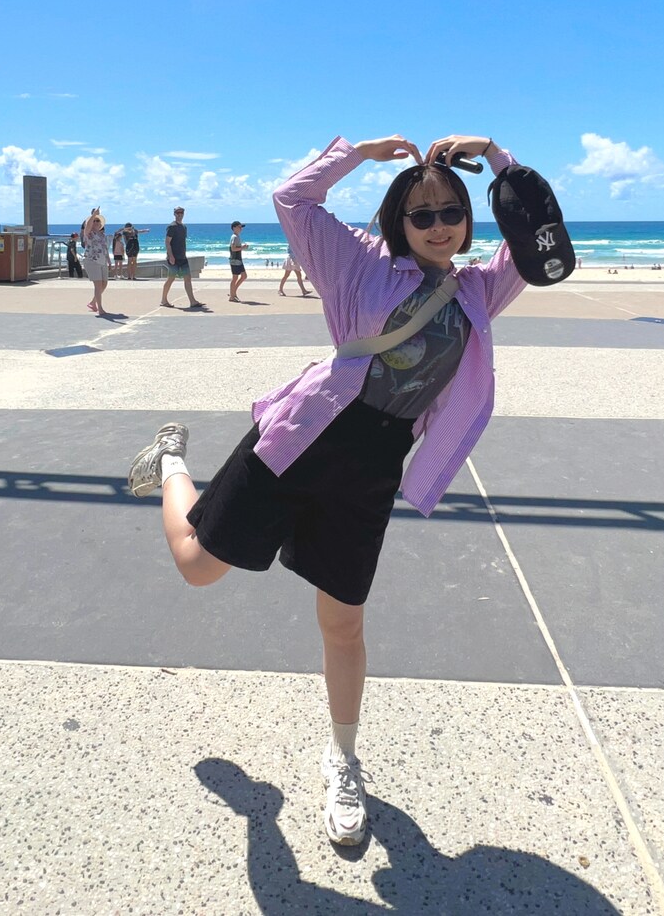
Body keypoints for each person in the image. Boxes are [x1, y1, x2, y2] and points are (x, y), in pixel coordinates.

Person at [128, 133, 526, 848]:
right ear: (399, 221)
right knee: (197, 565)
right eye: (422, 214)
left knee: (344, 624)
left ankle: (343, 760)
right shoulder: (359, 262)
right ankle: (171, 462)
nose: (438, 225)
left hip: (373, 466)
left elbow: (539, 236)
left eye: (451, 212)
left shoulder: (479, 289)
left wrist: (497, 155)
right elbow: (292, 199)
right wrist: (360, 154)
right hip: (302, 436)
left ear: (469, 219)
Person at [160, 207, 207, 310]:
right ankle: (164, 300)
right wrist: (171, 256)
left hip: (182, 257)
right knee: (171, 278)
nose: (179, 214)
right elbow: (167, 242)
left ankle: (192, 301)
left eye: (181, 212)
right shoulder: (172, 227)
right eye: (178, 212)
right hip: (174, 258)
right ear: (174, 214)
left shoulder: (184, 227)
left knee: (188, 278)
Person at [82, 211, 111, 313]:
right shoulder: (89, 233)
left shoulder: (102, 235)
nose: (95, 222)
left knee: (104, 284)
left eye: (97, 221)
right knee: (98, 285)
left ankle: (93, 302)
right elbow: (87, 226)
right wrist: (94, 215)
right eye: (94, 221)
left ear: (100, 224)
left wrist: (109, 260)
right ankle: (100, 308)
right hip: (92, 260)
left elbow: (105, 249)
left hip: (102, 261)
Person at [228, 221, 250, 302]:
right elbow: (233, 248)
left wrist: (242, 247)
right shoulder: (234, 237)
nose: (241, 229)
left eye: (241, 227)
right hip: (235, 260)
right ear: (234, 228)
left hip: (238, 260)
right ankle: (232, 295)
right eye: (239, 227)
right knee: (235, 278)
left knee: (243, 276)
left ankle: (233, 293)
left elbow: (235, 248)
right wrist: (242, 248)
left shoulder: (237, 236)